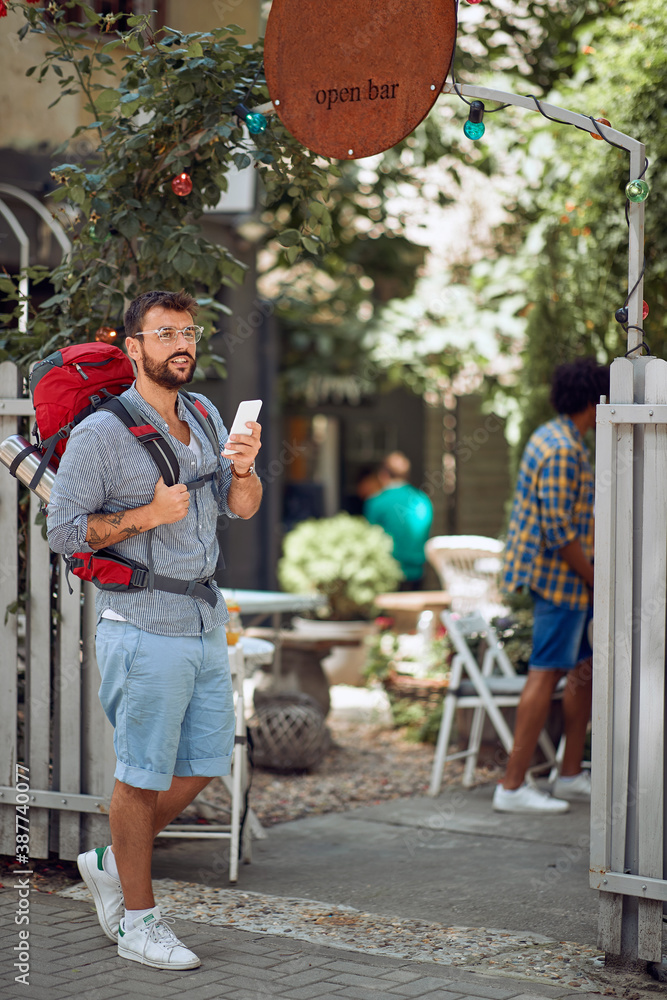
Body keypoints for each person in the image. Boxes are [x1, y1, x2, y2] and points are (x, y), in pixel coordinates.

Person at [47, 289, 262, 969]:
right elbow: (64, 532)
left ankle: (111, 859)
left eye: (189, 332)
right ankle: (138, 924)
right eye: (164, 333)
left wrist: (248, 467)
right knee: (139, 779)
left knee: (204, 763)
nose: (182, 345)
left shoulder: (202, 412)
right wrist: (145, 515)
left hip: (202, 618)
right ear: (133, 348)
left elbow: (242, 506)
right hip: (142, 625)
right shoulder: (101, 435)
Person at [494, 357, 609, 814]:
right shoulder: (563, 449)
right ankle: (512, 785)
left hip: (570, 584)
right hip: (559, 582)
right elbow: (559, 531)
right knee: (545, 673)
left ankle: (568, 774)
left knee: (583, 671)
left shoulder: (561, 437)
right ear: (593, 399)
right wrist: (596, 578)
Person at [363, 451, 433, 589]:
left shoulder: (376, 502)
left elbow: (370, 540)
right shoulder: (423, 501)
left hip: (387, 576)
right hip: (417, 573)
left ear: (383, 474)